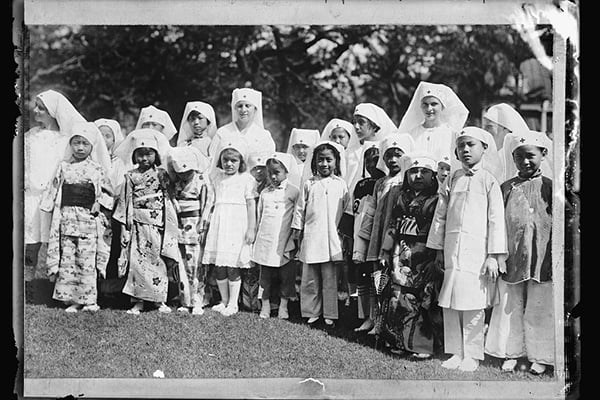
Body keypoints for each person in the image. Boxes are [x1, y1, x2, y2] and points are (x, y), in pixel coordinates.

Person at [426, 127, 507, 372]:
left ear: (484, 148)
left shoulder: (489, 180)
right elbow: (440, 215)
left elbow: (496, 219)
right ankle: (455, 351)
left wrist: (494, 256)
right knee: (451, 302)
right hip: (452, 249)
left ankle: (472, 354)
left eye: (471, 145)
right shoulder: (452, 178)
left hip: (477, 253)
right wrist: (438, 249)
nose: (465, 150)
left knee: (472, 303)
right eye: (461, 146)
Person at [484, 130, 554, 375]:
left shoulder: (551, 188)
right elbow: (495, 222)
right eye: (519, 157)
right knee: (509, 305)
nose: (525, 161)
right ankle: (510, 353)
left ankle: (540, 356)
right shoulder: (505, 188)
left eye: (530, 156)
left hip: (541, 257)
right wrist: (497, 254)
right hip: (512, 256)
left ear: (543, 154)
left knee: (539, 306)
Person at [39, 121, 113, 312]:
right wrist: (48, 207)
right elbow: (54, 189)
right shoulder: (64, 167)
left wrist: (99, 202)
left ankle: (89, 300)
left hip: (88, 219)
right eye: (76, 142)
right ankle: (70, 298)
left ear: (91, 147)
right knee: (69, 258)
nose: (80, 147)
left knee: (86, 259)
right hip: (67, 218)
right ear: (70, 144)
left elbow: (108, 193)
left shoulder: (97, 169)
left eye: (85, 144)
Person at [378, 152, 444, 359]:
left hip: (424, 253)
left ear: (433, 176)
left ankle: (422, 345)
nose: (418, 176)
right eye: (413, 171)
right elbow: (392, 226)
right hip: (401, 251)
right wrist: (386, 250)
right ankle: (397, 341)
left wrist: (436, 255)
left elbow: (438, 229)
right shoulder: (401, 198)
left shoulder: (437, 200)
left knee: (421, 297)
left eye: (424, 172)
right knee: (397, 295)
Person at [112, 128, 180, 315]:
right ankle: (138, 301)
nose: (144, 159)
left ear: (156, 155)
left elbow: (168, 197)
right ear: (135, 156)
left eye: (148, 154)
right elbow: (125, 202)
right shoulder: (130, 176)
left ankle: (159, 300)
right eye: (140, 155)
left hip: (157, 224)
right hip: (138, 224)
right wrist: (126, 226)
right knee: (137, 262)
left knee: (157, 261)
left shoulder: (161, 174)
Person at [24, 90, 86, 285]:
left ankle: (56, 279)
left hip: (54, 196)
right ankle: (28, 277)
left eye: (41, 108)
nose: (36, 111)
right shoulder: (31, 136)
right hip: (32, 194)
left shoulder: (65, 139)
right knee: (31, 239)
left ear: (52, 112)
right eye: (36, 106)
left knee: (56, 240)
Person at [359, 133, 415, 334]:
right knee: (377, 280)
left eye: (397, 155)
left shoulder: (407, 182)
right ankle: (375, 319)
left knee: (394, 279)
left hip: (395, 239)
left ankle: (390, 324)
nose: (392, 160)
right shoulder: (380, 183)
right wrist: (363, 241)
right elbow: (371, 211)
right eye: (388, 155)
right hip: (377, 235)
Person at [292, 141, 349, 327]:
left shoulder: (341, 185)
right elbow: (300, 209)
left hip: (332, 237)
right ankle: (311, 311)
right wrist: (297, 230)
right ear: (314, 162)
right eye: (320, 160)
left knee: (330, 278)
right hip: (312, 235)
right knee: (310, 277)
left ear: (336, 162)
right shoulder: (309, 184)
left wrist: (345, 236)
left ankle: (330, 312)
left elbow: (347, 210)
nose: (324, 164)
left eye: (328, 160)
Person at [202, 136, 257, 316]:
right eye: (225, 160)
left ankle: (233, 303)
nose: (229, 164)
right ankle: (224, 300)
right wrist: (205, 222)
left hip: (237, 224)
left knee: (233, 264)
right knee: (219, 264)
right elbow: (211, 202)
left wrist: (251, 228)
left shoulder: (246, 179)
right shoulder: (217, 178)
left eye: (234, 160)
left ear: (241, 161)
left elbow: (251, 205)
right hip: (220, 222)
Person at [253, 152, 301, 319]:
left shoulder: (293, 192)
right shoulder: (265, 193)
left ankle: (283, 306)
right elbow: (259, 216)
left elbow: (297, 215)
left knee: (286, 275)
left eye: (277, 172)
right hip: (266, 239)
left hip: (284, 239)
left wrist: (294, 238)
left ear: (286, 172)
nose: (273, 176)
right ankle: (265, 305)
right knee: (265, 275)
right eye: (270, 172)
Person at [167, 146, 212, 315]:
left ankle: (198, 299)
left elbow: (207, 203)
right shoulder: (176, 183)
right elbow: (172, 199)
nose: (184, 175)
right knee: (180, 263)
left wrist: (203, 224)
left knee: (196, 264)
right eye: (180, 172)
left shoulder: (201, 180)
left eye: (187, 172)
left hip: (195, 223)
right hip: (179, 223)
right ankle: (185, 299)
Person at [348, 143, 385, 331]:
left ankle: (378, 318)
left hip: (377, 237)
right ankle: (366, 317)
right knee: (363, 277)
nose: (373, 165)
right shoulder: (361, 185)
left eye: (376, 161)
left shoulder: (385, 184)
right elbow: (352, 212)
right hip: (361, 236)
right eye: (368, 161)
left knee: (377, 279)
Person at [94, 118, 129, 303]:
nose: (103, 139)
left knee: (109, 248)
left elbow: (119, 186)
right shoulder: (91, 158)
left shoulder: (117, 162)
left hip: (110, 209)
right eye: (100, 134)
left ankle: (109, 288)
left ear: (114, 140)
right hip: (91, 208)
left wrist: (107, 189)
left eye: (107, 136)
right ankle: (90, 285)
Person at [397, 81, 469, 164]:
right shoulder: (412, 134)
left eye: (434, 104)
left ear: (442, 106)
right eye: (425, 104)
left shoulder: (451, 134)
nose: (429, 109)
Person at [483, 103, 553, 181]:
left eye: (489, 127)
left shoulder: (530, 155)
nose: (485, 131)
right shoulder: (488, 158)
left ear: (506, 129)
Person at [208, 88, 276, 162]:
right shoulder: (222, 133)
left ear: (255, 109)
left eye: (247, 106)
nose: (243, 110)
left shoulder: (264, 136)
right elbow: (212, 161)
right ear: (235, 109)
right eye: (240, 106)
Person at [346, 103, 397, 193]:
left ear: (374, 125)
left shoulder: (384, 151)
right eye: (354, 122)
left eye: (361, 122)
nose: (356, 127)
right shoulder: (349, 153)